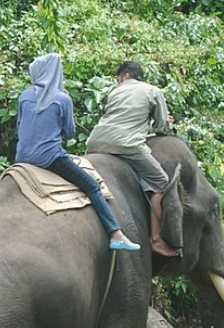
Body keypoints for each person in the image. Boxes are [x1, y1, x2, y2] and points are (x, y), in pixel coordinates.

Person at [15, 52, 141, 251]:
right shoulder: (62, 99)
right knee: (92, 186)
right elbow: (69, 134)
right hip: (49, 158)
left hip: (21, 157)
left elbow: (21, 126)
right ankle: (115, 233)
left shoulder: (24, 96)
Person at [85, 60, 180, 257]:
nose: (118, 82)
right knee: (161, 182)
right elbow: (162, 128)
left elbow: (120, 119)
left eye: (118, 78)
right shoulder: (153, 91)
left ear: (125, 76)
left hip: (95, 142)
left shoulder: (115, 92)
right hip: (127, 145)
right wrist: (164, 123)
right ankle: (155, 239)